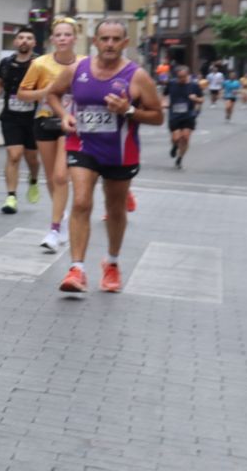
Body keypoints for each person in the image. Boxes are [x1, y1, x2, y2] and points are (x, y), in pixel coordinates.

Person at [44, 18, 161, 294]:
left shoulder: (137, 76)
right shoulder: (77, 69)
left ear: (125, 43)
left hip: (120, 153)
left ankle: (112, 263)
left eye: (115, 39)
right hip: (82, 145)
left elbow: (158, 116)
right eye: (104, 39)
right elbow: (52, 94)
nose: (109, 44)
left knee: (116, 208)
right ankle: (77, 269)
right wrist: (64, 116)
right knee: (82, 201)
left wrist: (129, 111)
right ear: (95, 41)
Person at [18, 17, 81, 251]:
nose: (63, 38)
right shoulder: (40, 64)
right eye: (58, 35)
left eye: (67, 34)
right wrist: (46, 91)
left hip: (71, 124)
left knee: (61, 176)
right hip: (44, 121)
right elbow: (22, 93)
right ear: (52, 39)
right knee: (51, 177)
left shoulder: (84, 63)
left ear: (75, 38)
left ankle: (54, 228)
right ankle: (62, 215)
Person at [0, 29, 42, 213]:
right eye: (20, 38)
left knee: (32, 158)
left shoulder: (40, 63)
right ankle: (11, 196)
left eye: (29, 38)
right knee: (14, 155)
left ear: (34, 43)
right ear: (15, 42)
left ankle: (33, 180)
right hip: (11, 116)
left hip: (34, 117)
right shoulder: (6, 63)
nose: (24, 41)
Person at [162, 61, 202, 169]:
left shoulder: (194, 85)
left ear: (188, 75)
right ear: (176, 76)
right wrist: (164, 102)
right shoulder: (171, 83)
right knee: (176, 138)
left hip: (189, 115)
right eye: (179, 77)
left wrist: (196, 99)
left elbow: (201, 99)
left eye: (184, 77)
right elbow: (164, 95)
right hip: (174, 115)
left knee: (185, 137)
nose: (182, 79)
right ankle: (175, 146)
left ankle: (180, 158)